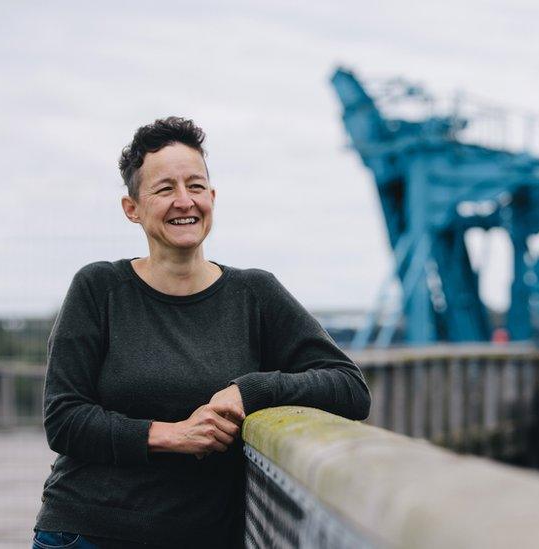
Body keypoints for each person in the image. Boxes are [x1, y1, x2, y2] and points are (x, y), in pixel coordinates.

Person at [32, 117, 371, 548]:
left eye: (195, 186)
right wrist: (172, 436)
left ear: (211, 197)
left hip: (202, 536)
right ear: (131, 208)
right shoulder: (99, 288)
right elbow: (63, 419)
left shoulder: (255, 293)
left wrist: (250, 391)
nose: (183, 201)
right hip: (88, 532)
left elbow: (350, 388)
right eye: (164, 189)